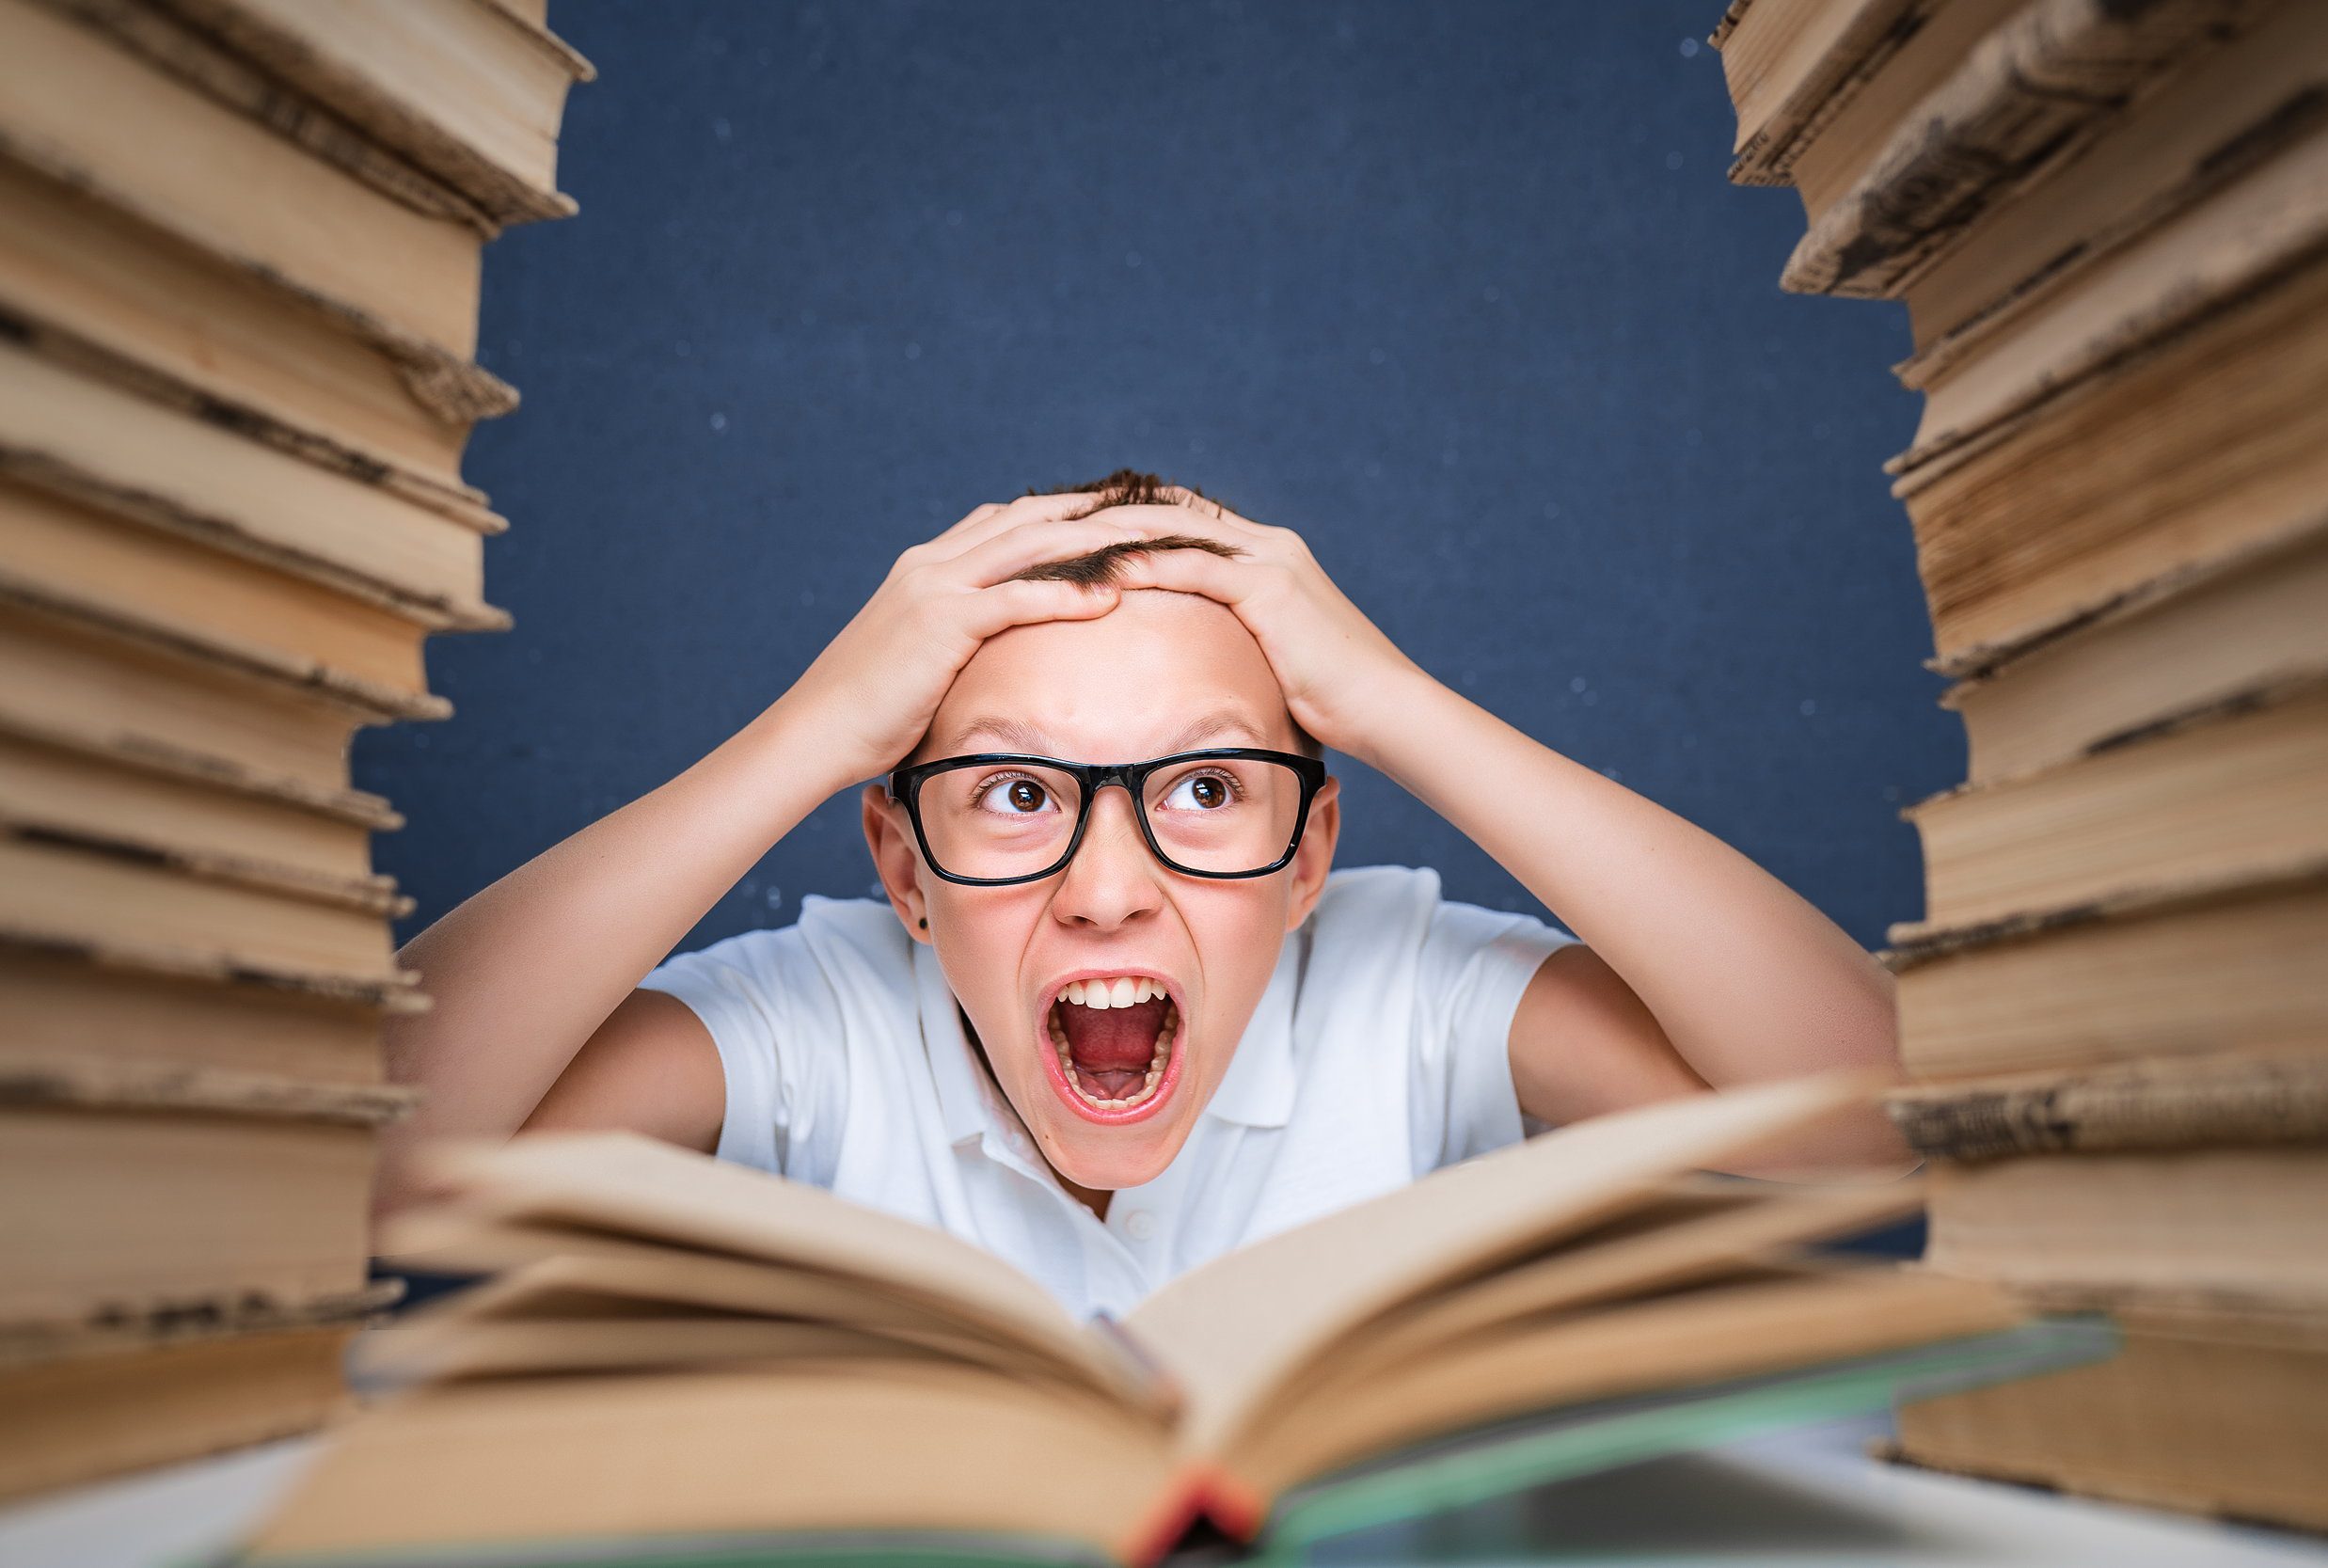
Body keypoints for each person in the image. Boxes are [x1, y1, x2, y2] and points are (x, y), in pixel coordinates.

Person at [377, 470, 1912, 1317]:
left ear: (1310, 855)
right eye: (1019, 794)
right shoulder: (823, 1019)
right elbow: (355, 1177)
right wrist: (808, 737)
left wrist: (1390, 705)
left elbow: (1890, 1119)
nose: (1108, 891)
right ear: (901, 866)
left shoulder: (1406, 991)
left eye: (1203, 789)